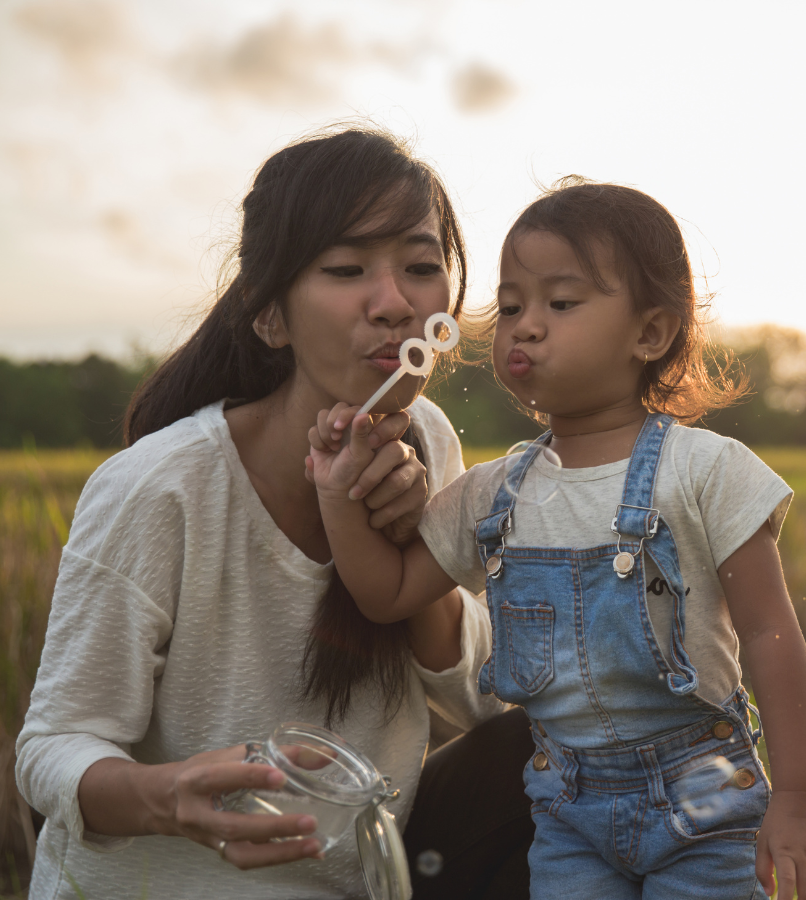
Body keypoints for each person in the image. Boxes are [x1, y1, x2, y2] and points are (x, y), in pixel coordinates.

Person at [15, 127, 534, 899]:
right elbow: (52, 747)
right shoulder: (160, 488)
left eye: (421, 268)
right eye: (346, 269)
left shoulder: (426, 440)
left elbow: (485, 700)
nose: (394, 303)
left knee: (563, 745)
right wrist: (169, 796)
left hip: (361, 881)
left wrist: (409, 558)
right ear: (270, 317)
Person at [307, 180, 806, 900]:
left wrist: (798, 801)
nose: (525, 327)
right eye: (511, 307)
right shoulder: (493, 494)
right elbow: (389, 593)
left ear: (650, 334)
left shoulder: (705, 471)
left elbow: (771, 633)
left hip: (704, 799)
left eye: (560, 304)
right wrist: (337, 493)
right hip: (564, 810)